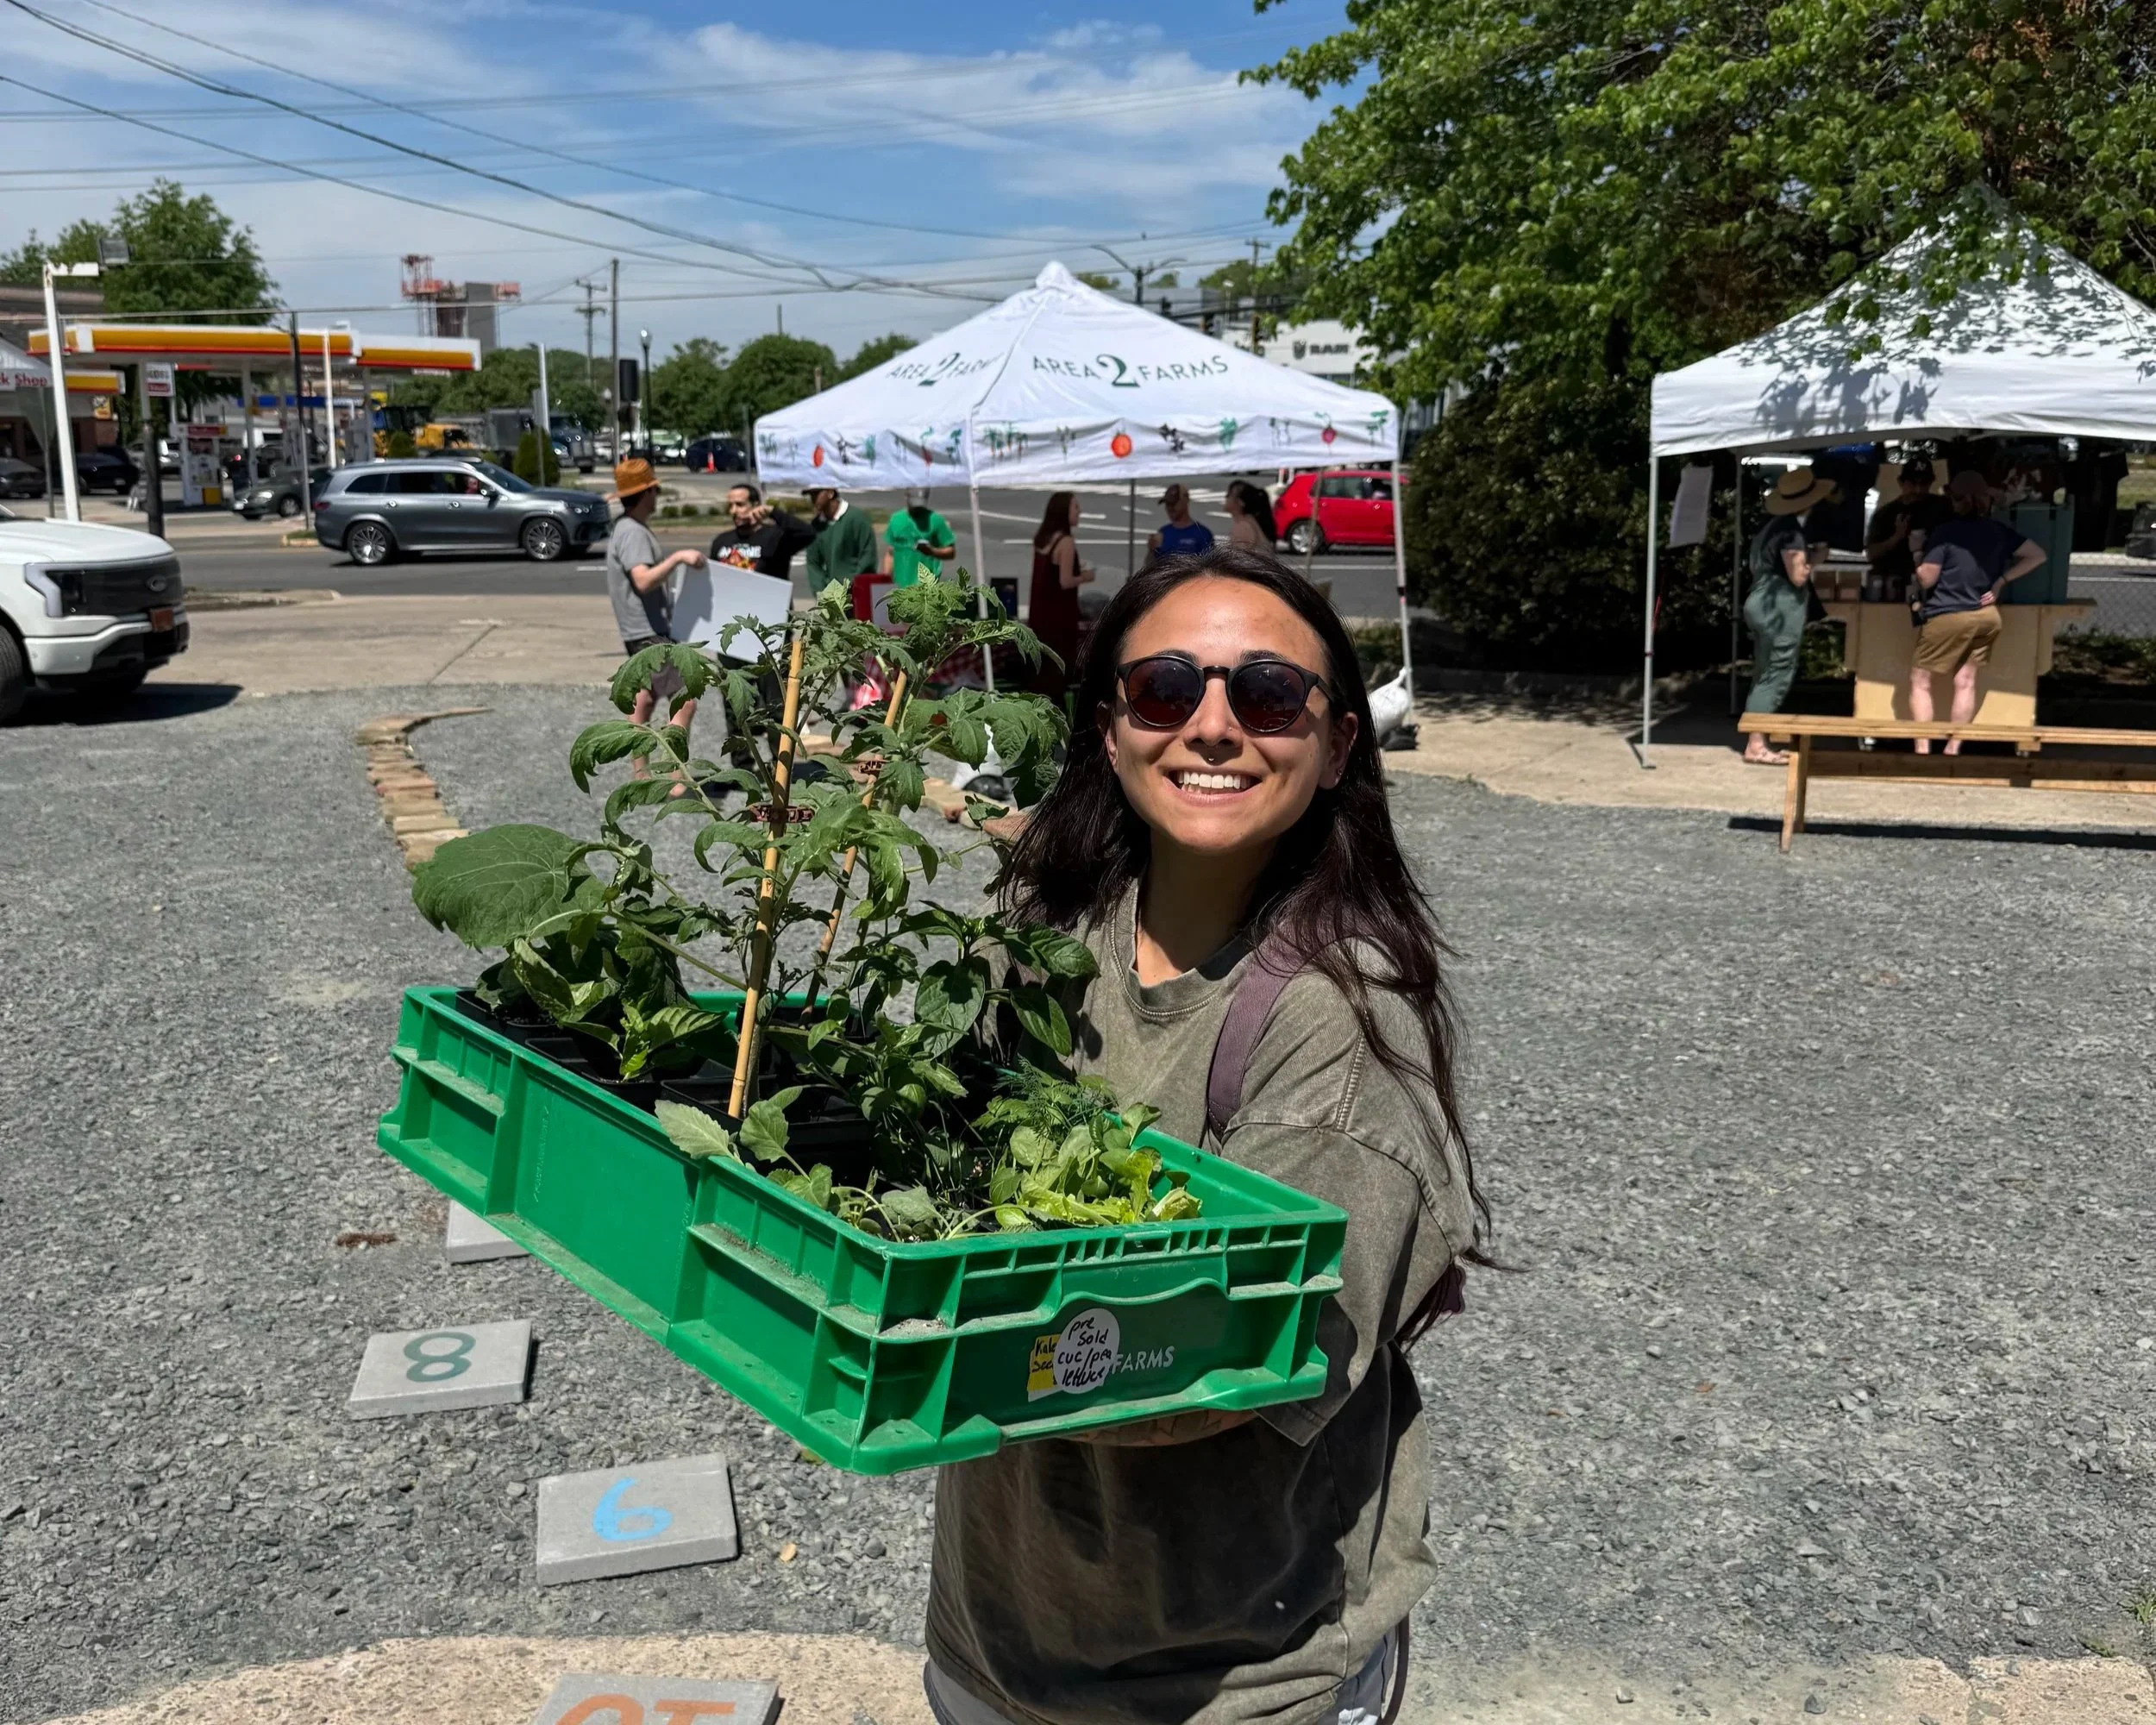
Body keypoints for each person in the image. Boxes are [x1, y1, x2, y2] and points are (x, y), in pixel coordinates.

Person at [931, 544, 1489, 1725]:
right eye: (1167, 689)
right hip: (998, 1633)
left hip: (1227, 1680)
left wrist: (921, 1333)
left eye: (1271, 694)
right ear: (1108, 728)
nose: (1216, 726)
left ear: (1339, 744)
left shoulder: (1338, 1026)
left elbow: (1219, 1375)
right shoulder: (1046, 923)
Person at [1908, 470, 2046, 754]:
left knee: (1921, 680)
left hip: (1947, 614)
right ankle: (1953, 748)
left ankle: (1923, 749)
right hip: (1986, 616)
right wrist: (2001, 581)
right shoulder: (1997, 530)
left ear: (1958, 500)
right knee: (1966, 681)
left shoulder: (1945, 532)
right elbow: (2037, 555)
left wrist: (1916, 552)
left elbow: (1926, 578)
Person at [1739, 466, 1835, 764]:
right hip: (1779, 607)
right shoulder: (1792, 532)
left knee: (1763, 671)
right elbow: (1797, 575)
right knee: (1777, 672)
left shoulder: (1769, 528)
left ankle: (1759, 739)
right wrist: (1815, 559)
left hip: (1759, 601)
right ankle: (1756, 744)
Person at [605, 456, 704, 655]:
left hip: (645, 633)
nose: (657, 495)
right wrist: (678, 558)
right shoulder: (633, 531)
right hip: (648, 634)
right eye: (655, 490)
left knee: (651, 687)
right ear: (646, 493)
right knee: (672, 686)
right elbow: (642, 581)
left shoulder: (628, 526)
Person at [1025, 490, 1092, 702]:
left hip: (1040, 616)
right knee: (1057, 672)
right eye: (1075, 506)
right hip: (1060, 618)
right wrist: (1085, 577)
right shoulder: (1066, 543)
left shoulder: (1043, 539)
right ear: (1064, 511)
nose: (1079, 511)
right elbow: (1065, 581)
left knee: (1041, 672)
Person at [1864, 458, 1950, 599]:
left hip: (1937, 584)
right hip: (1894, 585)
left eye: (1924, 484)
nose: (1918, 489)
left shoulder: (1943, 507)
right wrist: (1896, 538)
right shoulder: (1885, 514)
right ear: (1901, 483)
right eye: (1913, 483)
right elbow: (1872, 553)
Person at [708, 481, 817, 586]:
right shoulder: (721, 541)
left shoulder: (776, 536)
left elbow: (808, 533)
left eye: (740, 505)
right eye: (730, 506)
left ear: (756, 505)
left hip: (769, 603)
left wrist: (773, 513)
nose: (733, 511)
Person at [803, 484, 881, 595]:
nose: (813, 499)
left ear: (830, 493)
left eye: (816, 494)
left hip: (859, 594)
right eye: (811, 495)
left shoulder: (857, 518)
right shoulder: (816, 526)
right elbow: (813, 563)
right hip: (832, 597)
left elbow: (868, 556)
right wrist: (822, 591)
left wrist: (851, 586)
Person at [885, 488, 957, 587]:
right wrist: (885, 580)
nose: (917, 508)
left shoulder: (936, 520)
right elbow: (890, 553)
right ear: (906, 497)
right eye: (914, 503)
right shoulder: (896, 520)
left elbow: (951, 552)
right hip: (899, 587)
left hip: (926, 588)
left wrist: (932, 551)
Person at [1147, 481, 1216, 558]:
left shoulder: (1202, 534)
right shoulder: (1163, 533)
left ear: (1185, 501)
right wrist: (1152, 550)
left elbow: (1211, 565)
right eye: (1167, 504)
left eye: (1173, 504)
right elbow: (1151, 565)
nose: (1170, 508)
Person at [1224, 478, 1278, 552]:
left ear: (1240, 502)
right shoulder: (1249, 521)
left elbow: (1238, 560)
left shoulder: (1243, 526)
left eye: (1229, 495)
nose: (1225, 497)